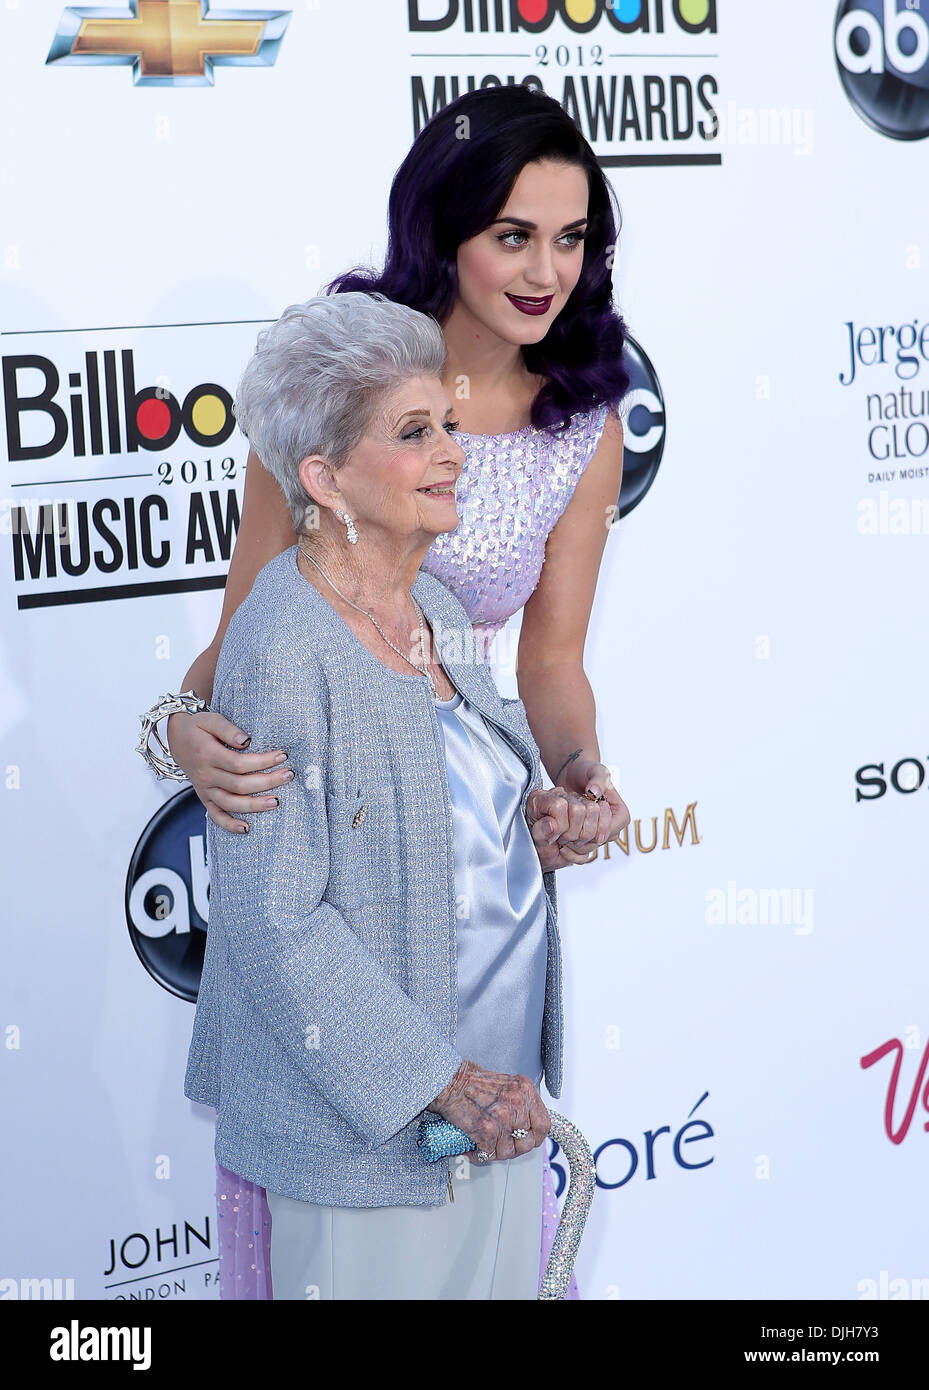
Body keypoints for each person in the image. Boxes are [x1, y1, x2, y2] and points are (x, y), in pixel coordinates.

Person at [165, 85, 633, 1298]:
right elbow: (244, 635)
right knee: (357, 1211)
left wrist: (578, 777)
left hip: (477, 853)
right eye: (514, 235)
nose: (548, 271)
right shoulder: (345, 365)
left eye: (573, 238)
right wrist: (176, 726)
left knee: (480, 1213)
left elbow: (548, 667)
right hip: (342, 821)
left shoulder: (585, 419)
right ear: (446, 225)